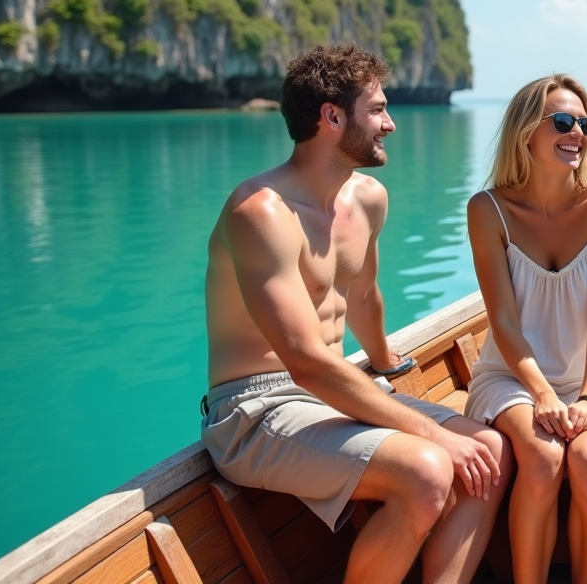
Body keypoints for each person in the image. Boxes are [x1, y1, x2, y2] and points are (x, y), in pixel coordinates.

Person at [200, 42, 509, 584]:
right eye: (378, 110)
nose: (390, 123)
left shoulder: (367, 198)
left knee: (491, 451)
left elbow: (362, 295)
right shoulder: (260, 214)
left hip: (331, 388)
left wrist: (386, 361)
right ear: (332, 116)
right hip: (258, 408)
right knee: (430, 469)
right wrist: (433, 434)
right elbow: (306, 362)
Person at [465, 74, 587, 584]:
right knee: (542, 459)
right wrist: (541, 393)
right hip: (512, 377)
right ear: (525, 132)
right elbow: (501, 321)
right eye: (563, 122)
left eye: (586, 124)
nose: (578, 134)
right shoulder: (488, 209)